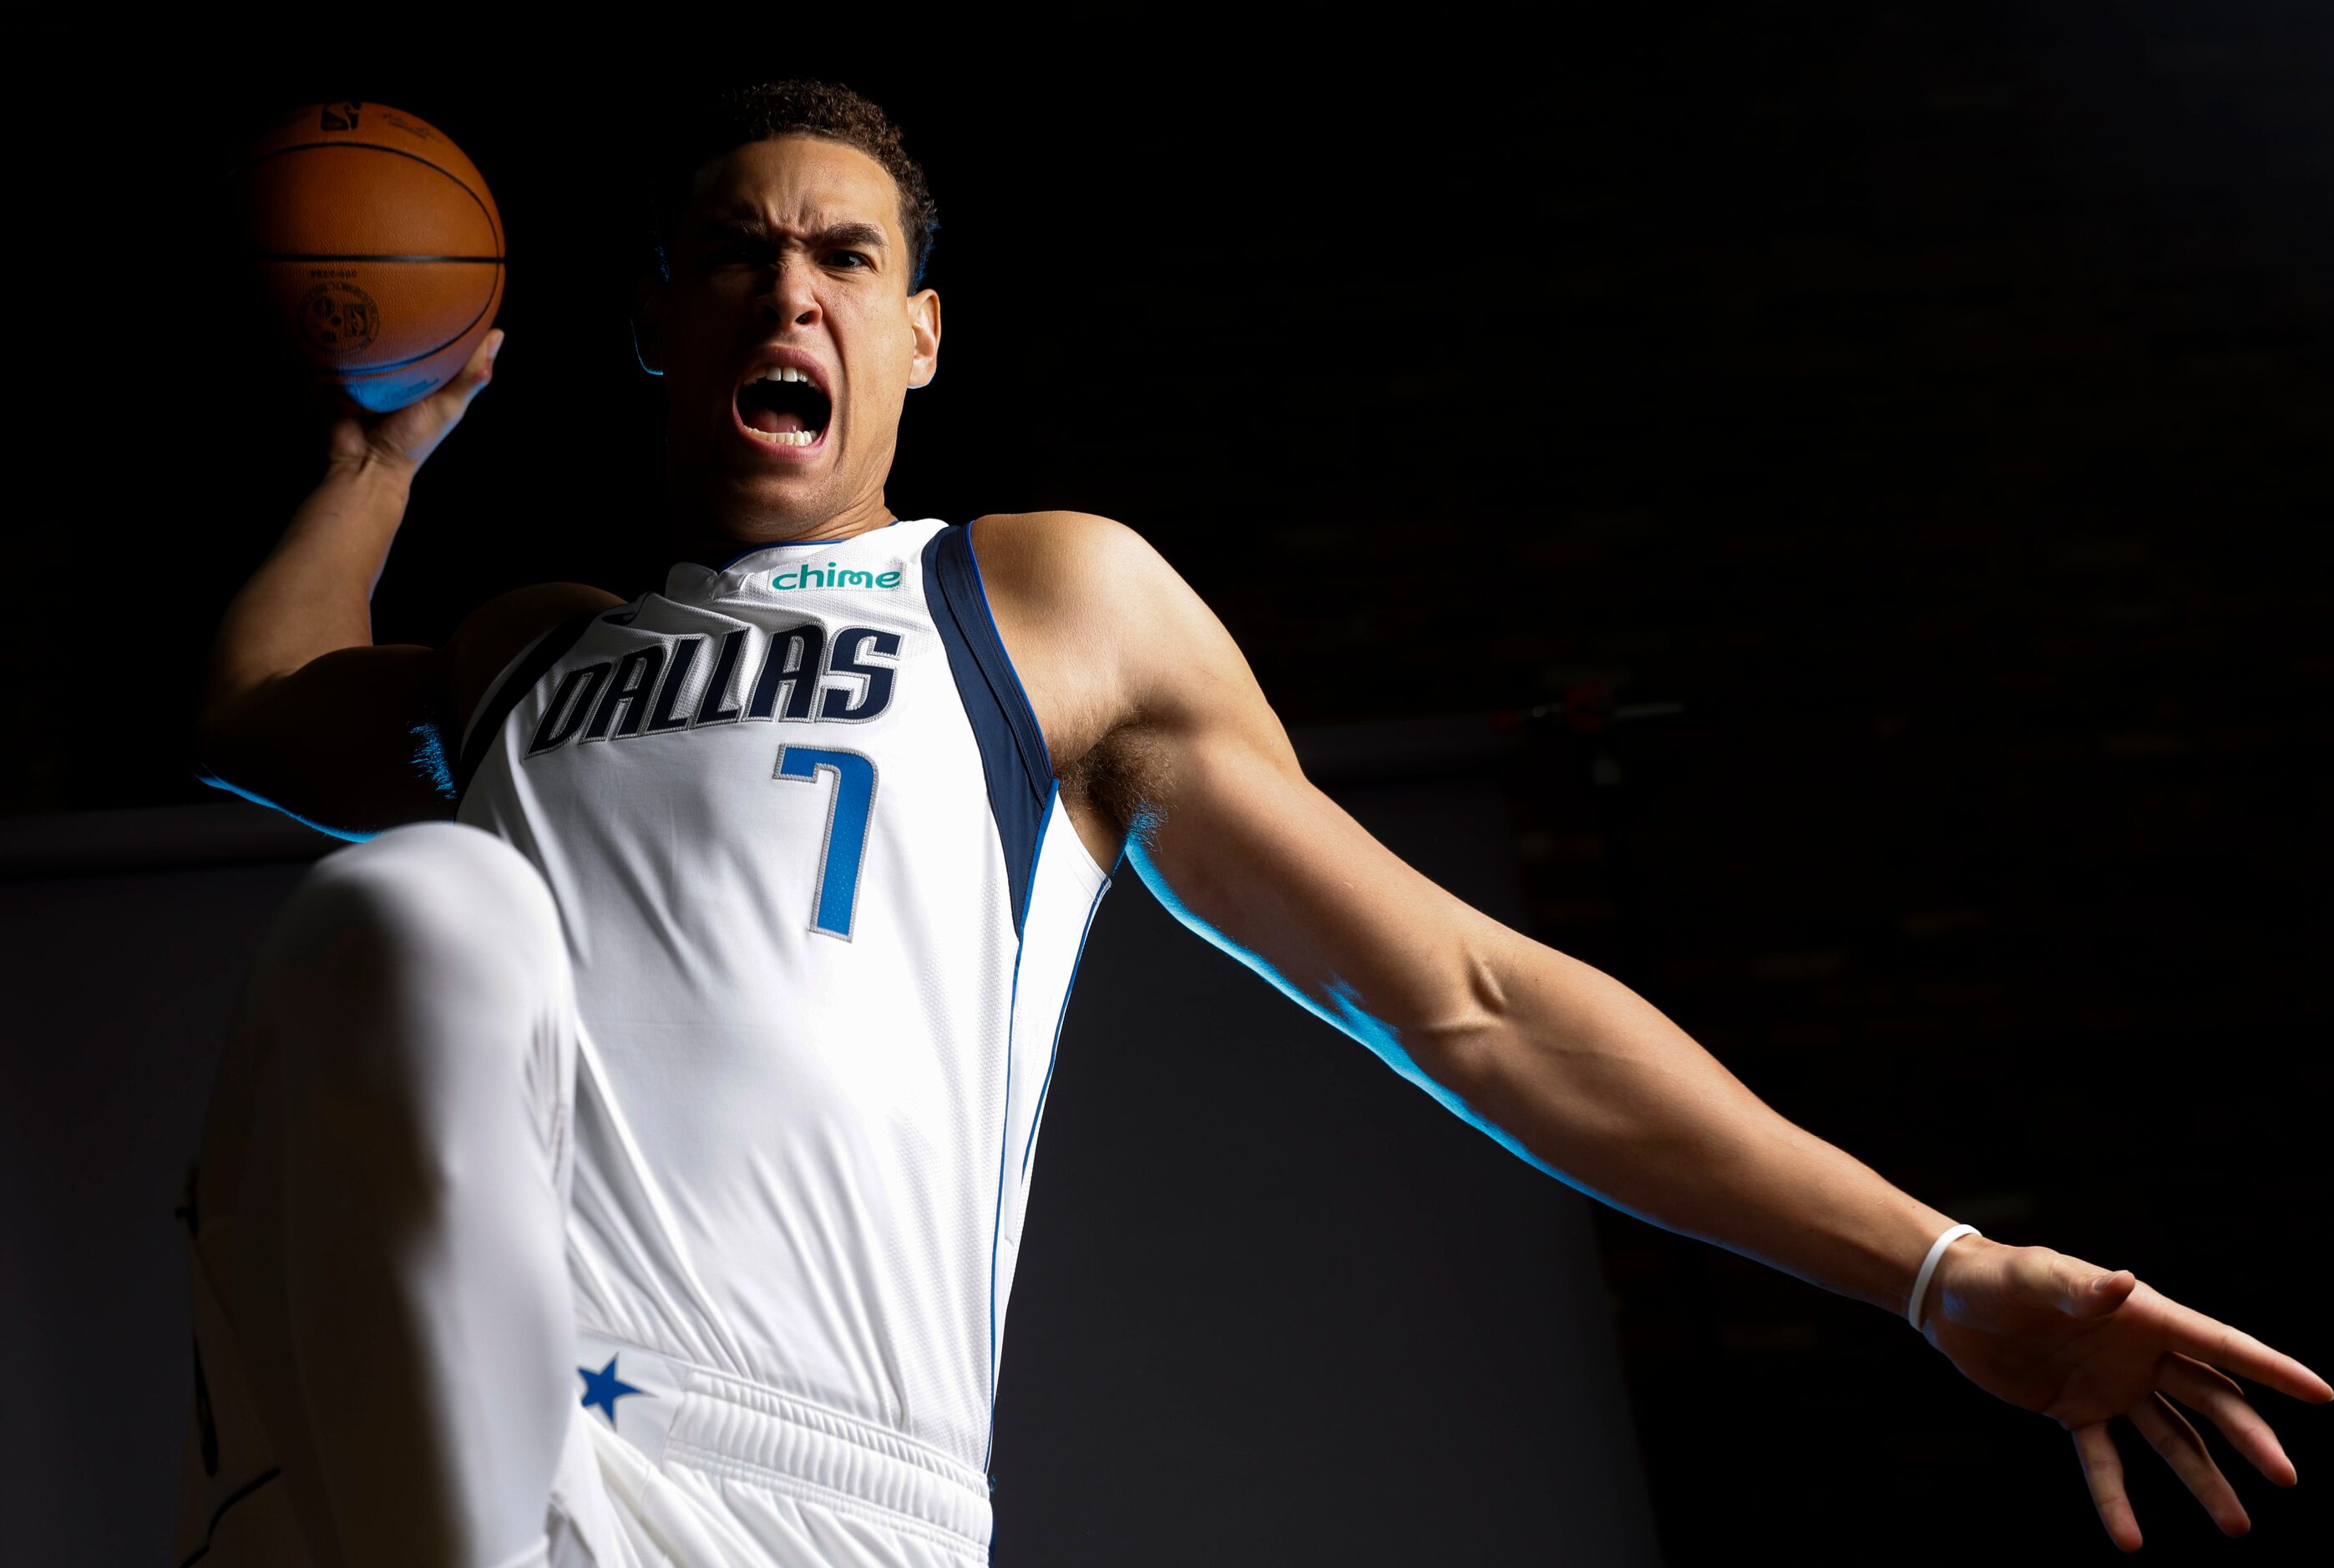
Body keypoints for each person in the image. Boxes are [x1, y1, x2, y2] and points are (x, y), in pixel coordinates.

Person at [175, 81, 2326, 1568]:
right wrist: (395, 430)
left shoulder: (1025, 598)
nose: (786, 291)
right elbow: (259, 705)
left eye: (844, 255)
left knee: (426, 903)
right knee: (422, 914)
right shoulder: (534, 649)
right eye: (732, 257)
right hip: (455, 1403)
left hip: (813, 1476)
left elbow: (1472, 1000)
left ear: (917, 337)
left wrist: (1939, 1273)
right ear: (656, 328)